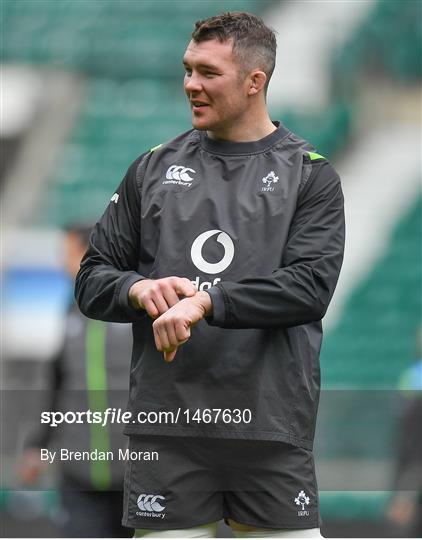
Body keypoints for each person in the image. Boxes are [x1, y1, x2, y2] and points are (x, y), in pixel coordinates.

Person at [75, 12, 345, 538]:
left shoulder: (310, 175)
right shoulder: (150, 169)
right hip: (170, 431)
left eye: (207, 73)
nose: (190, 85)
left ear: (254, 81)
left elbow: (309, 288)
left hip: (267, 429)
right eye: (187, 69)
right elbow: (91, 278)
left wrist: (206, 301)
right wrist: (136, 287)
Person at [19, 225, 134, 538]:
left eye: (68, 254)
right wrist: (37, 446)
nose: (62, 263)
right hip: (78, 474)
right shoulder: (71, 311)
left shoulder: (138, 308)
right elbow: (56, 384)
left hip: (137, 476)